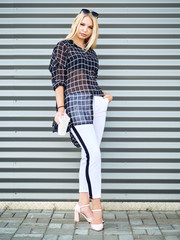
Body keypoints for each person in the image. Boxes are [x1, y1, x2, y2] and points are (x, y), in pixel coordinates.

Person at [49, 8, 113, 231]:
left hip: (96, 103)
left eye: (90, 27)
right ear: (76, 24)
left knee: (89, 155)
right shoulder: (63, 47)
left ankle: (83, 205)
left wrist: (104, 95)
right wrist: (61, 107)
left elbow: (89, 79)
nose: (85, 30)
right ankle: (97, 209)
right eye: (83, 24)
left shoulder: (91, 53)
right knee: (94, 153)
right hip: (75, 103)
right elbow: (58, 79)